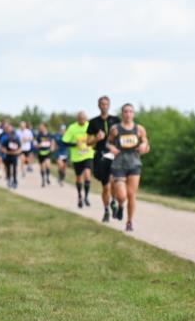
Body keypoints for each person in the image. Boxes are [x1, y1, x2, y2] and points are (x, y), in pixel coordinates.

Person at [105, 103, 150, 232]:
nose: (128, 114)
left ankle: (129, 222)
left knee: (131, 195)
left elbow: (146, 143)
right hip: (119, 164)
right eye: (125, 111)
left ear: (133, 114)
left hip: (134, 164)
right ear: (122, 113)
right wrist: (111, 147)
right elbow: (108, 142)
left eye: (130, 111)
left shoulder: (139, 129)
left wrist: (144, 146)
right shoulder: (115, 129)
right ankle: (119, 205)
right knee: (122, 196)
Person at [88, 95, 120, 223]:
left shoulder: (116, 120)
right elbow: (87, 142)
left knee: (114, 181)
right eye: (102, 104)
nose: (104, 106)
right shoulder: (93, 122)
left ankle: (114, 201)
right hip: (100, 155)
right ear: (98, 105)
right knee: (105, 186)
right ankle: (106, 210)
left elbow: (122, 137)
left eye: (106, 104)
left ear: (109, 105)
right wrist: (96, 138)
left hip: (113, 154)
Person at [61, 111, 94, 208]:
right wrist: (75, 144)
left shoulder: (90, 126)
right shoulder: (72, 128)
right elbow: (64, 142)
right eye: (81, 119)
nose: (83, 121)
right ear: (77, 119)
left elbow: (95, 138)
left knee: (87, 174)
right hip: (76, 157)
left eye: (84, 119)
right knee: (79, 177)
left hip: (88, 155)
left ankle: (86, 197)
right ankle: (80, 196)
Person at [0, 122, 22, 189]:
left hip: (14, 156)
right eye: (8, 129)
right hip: (7, 156)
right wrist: (6, 151)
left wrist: (17, 152)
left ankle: (15, 181)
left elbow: (19, 147)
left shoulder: (16, 138)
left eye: (11, 129)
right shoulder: (4, 138)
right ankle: (9, 179)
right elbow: (1, 147)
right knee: (7, 168)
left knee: (14, 168)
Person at [34, 123, 56, 187]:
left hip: (48, 152)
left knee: (48, 164)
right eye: (40, 128)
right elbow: (35, 145)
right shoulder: (38, 136)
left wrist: (52, 147)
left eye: (42, 127)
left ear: (45, 127)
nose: (41, 129)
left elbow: (53, 142)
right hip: (41, 152)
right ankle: (43, 180)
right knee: (42, 167)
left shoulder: (50, 135)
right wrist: (39, 145)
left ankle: (48, 177)